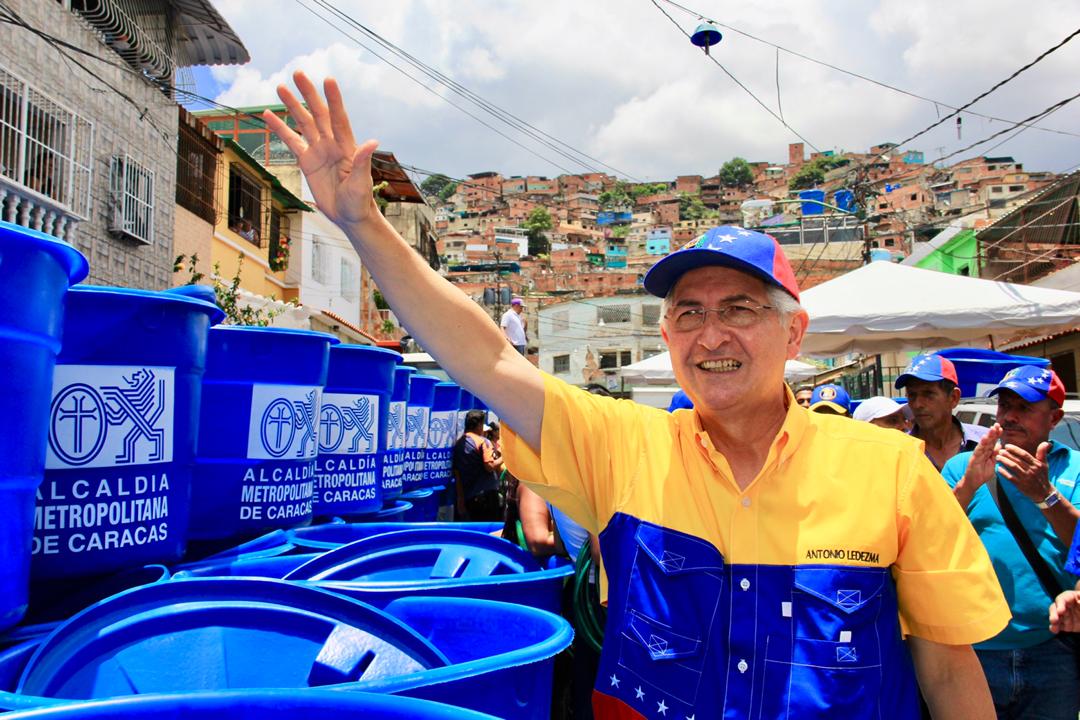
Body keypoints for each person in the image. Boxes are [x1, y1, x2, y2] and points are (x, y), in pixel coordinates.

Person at [265, 72, 1006, 719]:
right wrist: (362, 223)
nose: (710, 334)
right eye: (688, 312)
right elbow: (490, 358)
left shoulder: (893, 471)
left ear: (795, 334)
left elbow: (946, 668)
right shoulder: (623, 448)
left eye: (740, 309)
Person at [942, 366, 1080, 719]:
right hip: (975, 648)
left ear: (1055, 418)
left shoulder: (1075, 469)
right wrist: (968, 486)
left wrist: (1046, 495)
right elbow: (933, 539)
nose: (1011, 417)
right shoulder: (963, 466)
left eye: (1025, 407)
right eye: (1005, 406)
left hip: (1054, 650)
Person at [897, 353, 987, 471]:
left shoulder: (985, 443)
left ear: (953, 398)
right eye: (912, 395)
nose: (917, 404)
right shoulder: (900, 451)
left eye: (928, 394)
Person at [452, 410, 503, 521]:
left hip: (469, 497)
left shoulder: (459, 444)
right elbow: (489, 466)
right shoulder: (483, 442)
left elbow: (457, 474)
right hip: (487, 496)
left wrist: (460, 499)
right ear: (479, 425)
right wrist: (505, 458)